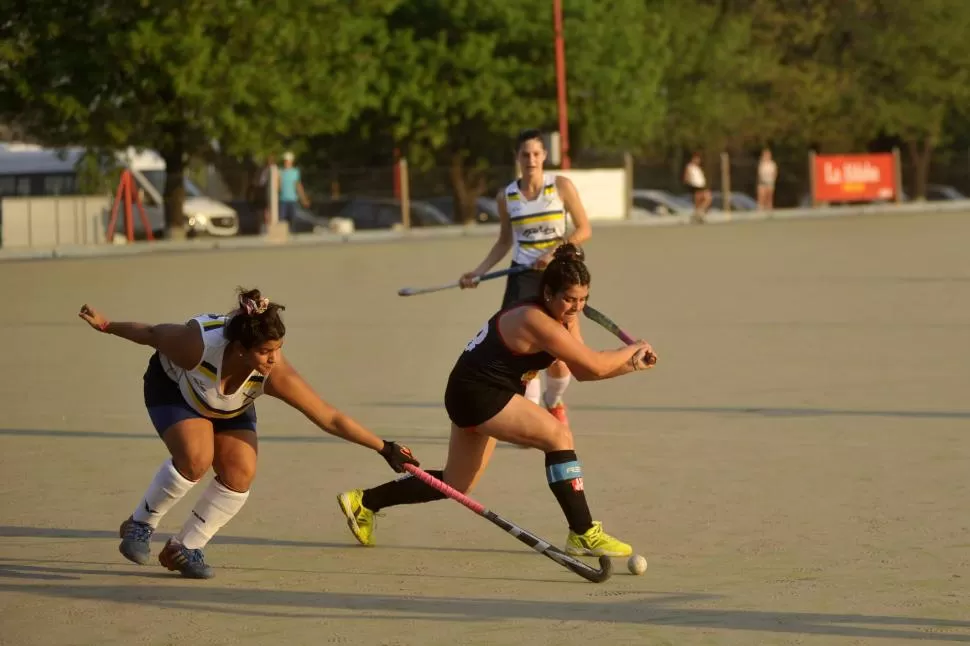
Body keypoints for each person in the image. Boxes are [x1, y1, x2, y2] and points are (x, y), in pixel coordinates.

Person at [77, 288, 419, 579]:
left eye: (278, 348)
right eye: (265, 351)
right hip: (174, 389)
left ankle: (185, 549)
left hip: (229, 405)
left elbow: (328, 417)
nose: (274, 359)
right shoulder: (195, 344)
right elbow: (151, 334)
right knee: (196, 459)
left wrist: (384, 447)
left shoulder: (274, 371)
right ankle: (140, 525)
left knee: (241, 473)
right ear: (240, 347)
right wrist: (106, 325)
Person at [338, 244, 656, 557]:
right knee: (558, 436)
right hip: (480, 394)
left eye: (583, 300)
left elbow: (582, 369)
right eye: (570, 299)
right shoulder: (535, 319)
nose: (575, 307)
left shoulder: (562, 316)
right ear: (548, 293)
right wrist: (632, 349)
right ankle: (584, 532)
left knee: (457, 483)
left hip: (471, 392)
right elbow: (593, 365)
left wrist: (631, 364)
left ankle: (364, 502)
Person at [458, 129, 592, 427]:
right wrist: (479, 272)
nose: (530, 159)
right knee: (523, 351)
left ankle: (554, 402)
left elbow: (584, 229)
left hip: (558, 277)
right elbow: (504, 241)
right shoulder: (506, 196)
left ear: (544, 156)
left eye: (535, 153)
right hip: (522, 278)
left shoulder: (560, 186)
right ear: (516, 158)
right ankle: (531, 419)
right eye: (524, 154)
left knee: (560, 353)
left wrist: (557, 251)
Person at [279, 151, 310, 232]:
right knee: (282, 218)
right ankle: (284, 233)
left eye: (287, 161)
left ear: (291, 162)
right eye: (285, 161)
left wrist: (304, 199)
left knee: (293, 218)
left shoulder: (295, 172)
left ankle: (292, 233)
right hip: (283, 199)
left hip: (292, 199)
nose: (286, 162)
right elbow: (278, 186)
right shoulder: (281, 172)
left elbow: (298, 186)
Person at [683, 152, 712, 221]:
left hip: (701, 185)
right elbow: (686, 176)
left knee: (707, 199)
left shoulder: (698, 168)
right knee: (700, 201)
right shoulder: (690, 166)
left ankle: (697, 214)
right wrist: (688, 182)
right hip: (695, 186)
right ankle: (697, 215)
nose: (697, 161)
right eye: (696, 159)